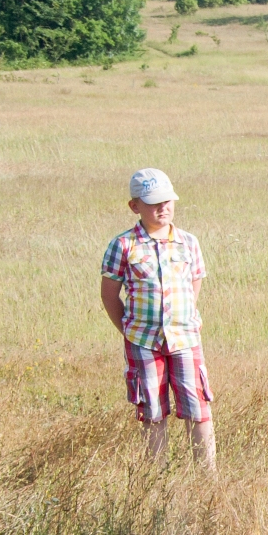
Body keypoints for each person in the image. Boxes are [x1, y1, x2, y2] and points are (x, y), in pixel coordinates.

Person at [100, 168, 215, 469]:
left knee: (198, 408)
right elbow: (109, 295)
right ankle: (156, 479)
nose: (162, 208)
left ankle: (208, 479)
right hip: (143, 341)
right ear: (134, 206)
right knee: (152, 412)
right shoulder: (123, 245)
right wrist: (129, 330)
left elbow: (194, 283)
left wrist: (185, 317)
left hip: (185, 338)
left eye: (167, 201)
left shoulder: (188, 242)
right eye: (153, 203)